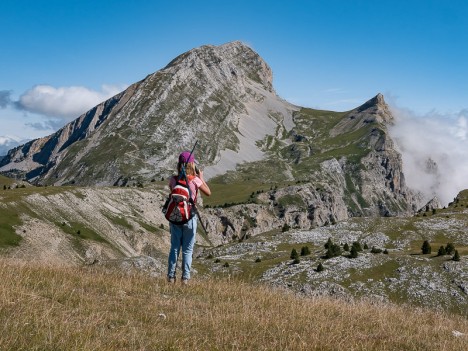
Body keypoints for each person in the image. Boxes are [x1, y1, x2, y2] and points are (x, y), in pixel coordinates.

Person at [167, 150, 211, 284]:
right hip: (190, 217)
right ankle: (185, 279)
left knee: (174, 247)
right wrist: (201, 177)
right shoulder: (195, 180)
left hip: (175, 217)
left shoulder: (173, 180)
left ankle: (170, 277)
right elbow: (208, 193)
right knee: (187, 249)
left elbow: (173, 192)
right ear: (192, 165)